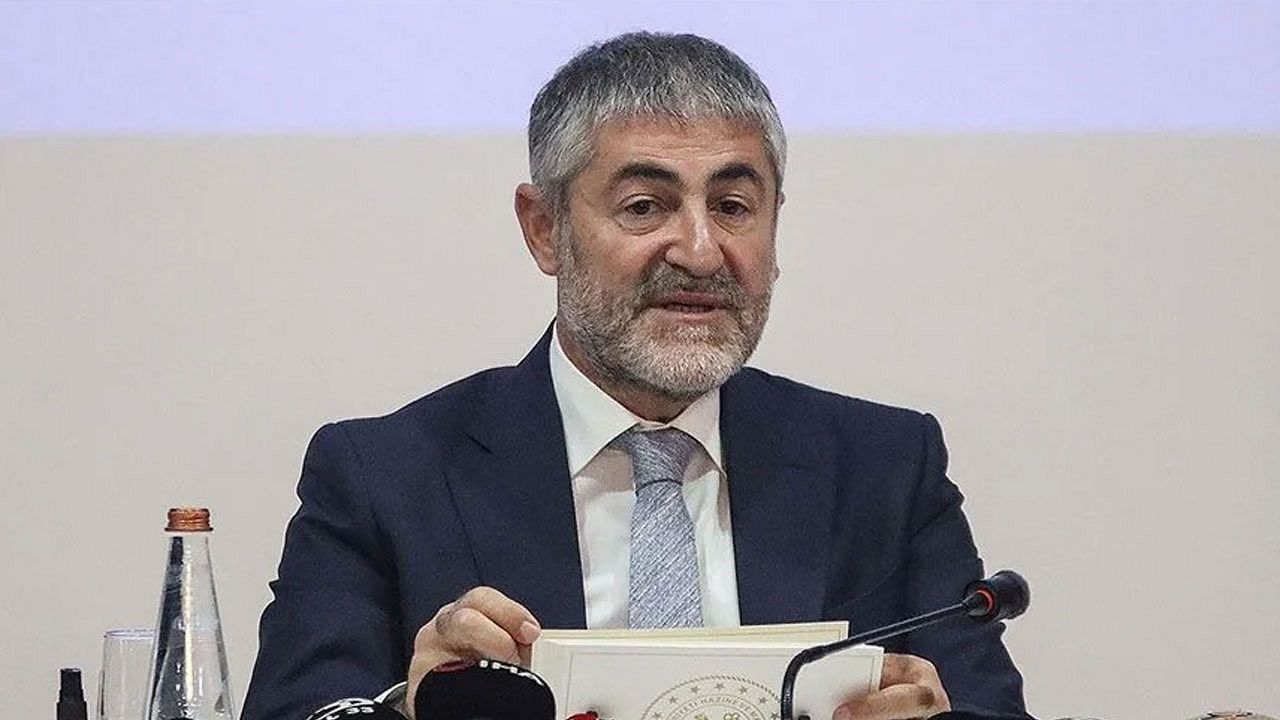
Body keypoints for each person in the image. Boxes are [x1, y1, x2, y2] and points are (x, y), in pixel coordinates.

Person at [242, 32, 1030, 720]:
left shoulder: (885, 468)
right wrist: (406, 707)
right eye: (646, 206)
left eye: (733, 206)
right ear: (544, 229)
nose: (700, 251)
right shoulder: (383, 477)